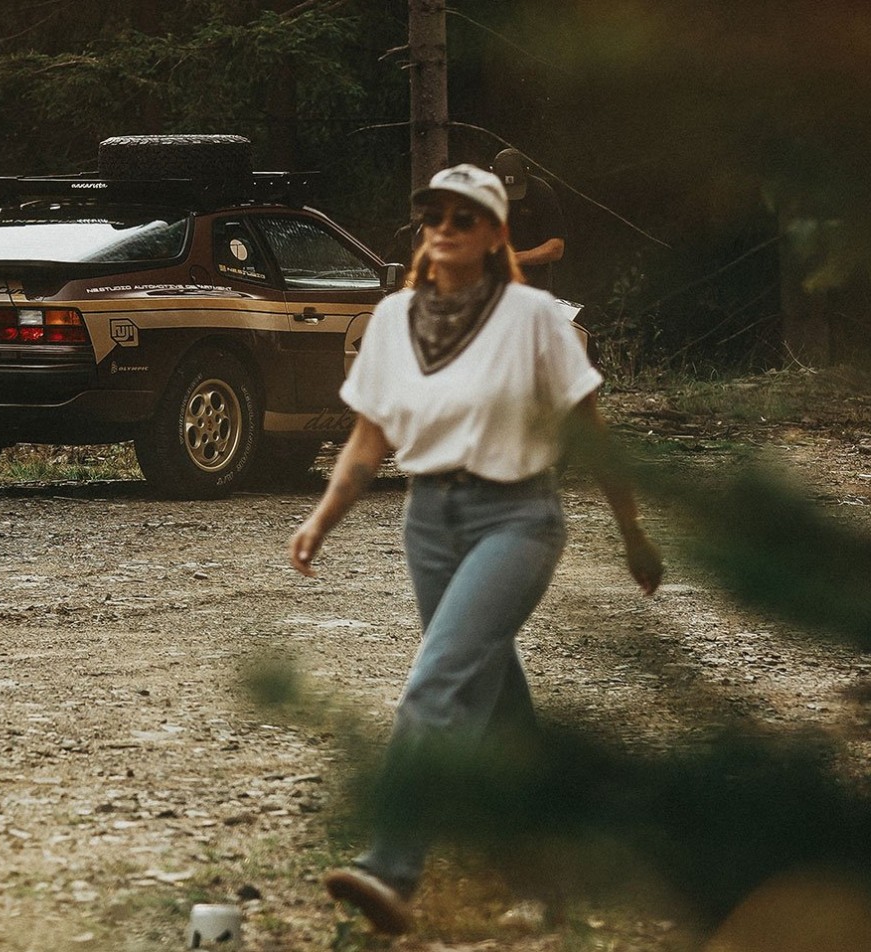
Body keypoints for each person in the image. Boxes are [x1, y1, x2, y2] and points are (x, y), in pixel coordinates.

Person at [286, 164, 662, 935]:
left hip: (516, 519)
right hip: (427, 520)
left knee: (439, 681)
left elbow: (589, 432)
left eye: (465, 216)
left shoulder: (535, 318)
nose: (446, 226)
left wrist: (631, 533)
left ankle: (388, 870)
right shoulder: (393, 318)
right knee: (495, 706)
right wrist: (322, 517)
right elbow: (369, 436)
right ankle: (549, 870)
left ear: (495, 234)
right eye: (435, 214)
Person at [492, 149, 566, 294]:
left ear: (527, 173)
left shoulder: (541, 193)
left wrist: (514, 258)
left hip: (534, 280)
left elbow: (556, 248)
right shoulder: (481, 193)